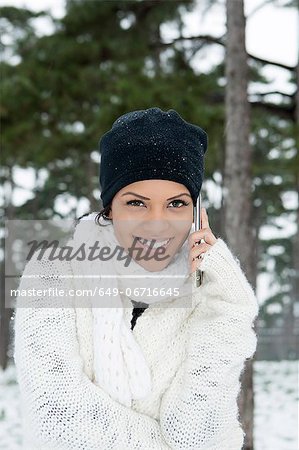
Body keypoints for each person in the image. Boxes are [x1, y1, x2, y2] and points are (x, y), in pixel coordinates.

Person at [13, 107, 259, 449]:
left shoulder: (205, 294)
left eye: (176, 203)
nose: (158, 223)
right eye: (137, 203)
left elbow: (199, 438)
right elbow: (58, 423)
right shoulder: (52, 275)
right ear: (109, 208)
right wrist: (163, 440)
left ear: (195, 210)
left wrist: (228, 305)